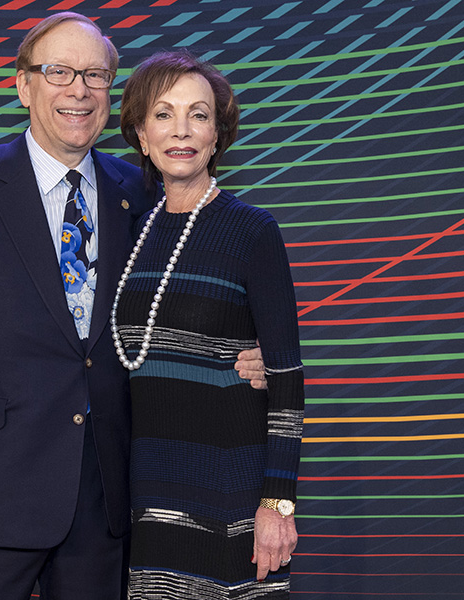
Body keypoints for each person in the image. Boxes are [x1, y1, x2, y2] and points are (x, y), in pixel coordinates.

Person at [0, 14, 267, 600]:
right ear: (24, 85)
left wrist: (247, 347)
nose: (79, 89)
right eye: (58, 71)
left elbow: (184, 289)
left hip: (106, 489)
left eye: (95, 75)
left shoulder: (140, 191)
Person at [114, 51, 305, 599]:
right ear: (141, 134)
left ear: (218, 135)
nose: (182, 131)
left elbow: (287, 380)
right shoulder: (131, 230)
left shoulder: (253, 232)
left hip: (232, 496)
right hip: (150, 494)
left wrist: (277, 504)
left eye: (198, 115)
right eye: (163, 114)